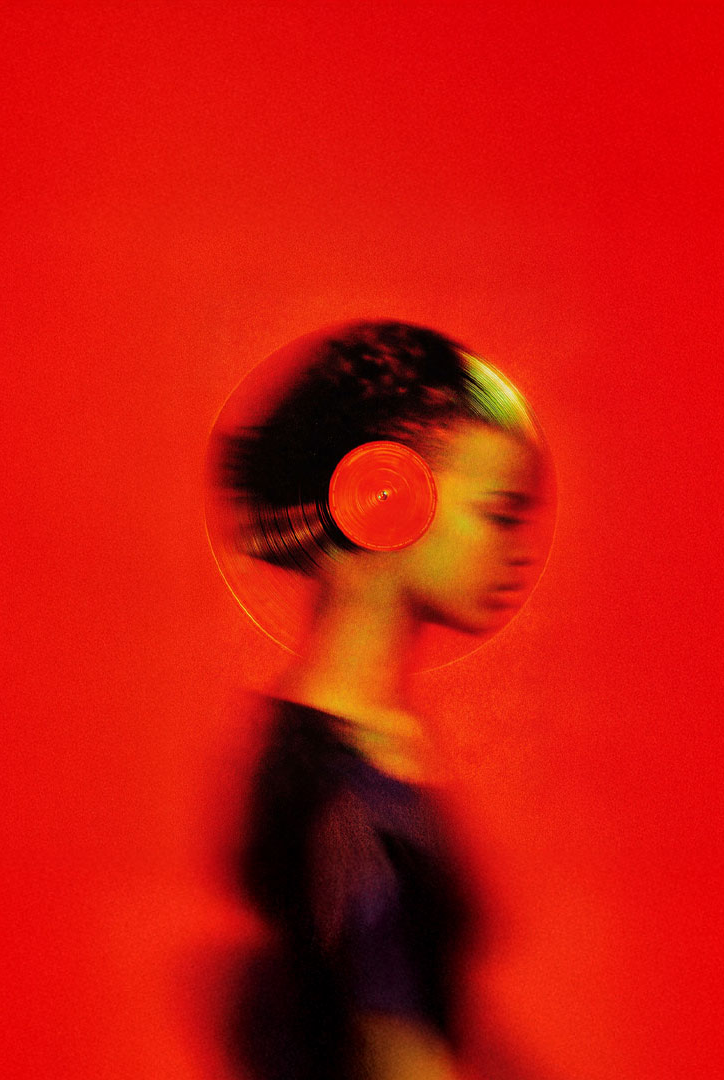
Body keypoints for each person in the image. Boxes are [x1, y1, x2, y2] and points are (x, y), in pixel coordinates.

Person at [216, 321, 549, 1080]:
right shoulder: (345, 794)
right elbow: (394, 1047)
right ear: (383, 496)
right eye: (498, 514)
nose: (520, 549)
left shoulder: (363, 748)